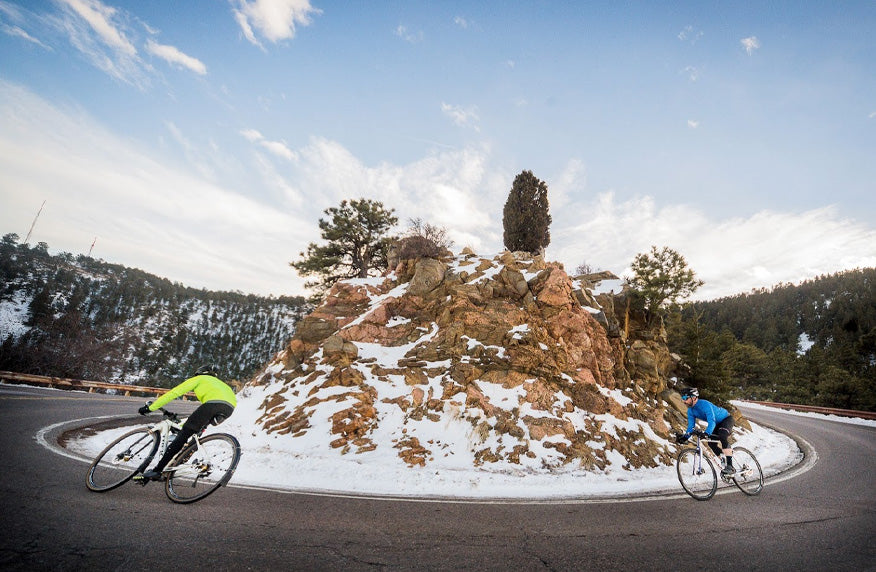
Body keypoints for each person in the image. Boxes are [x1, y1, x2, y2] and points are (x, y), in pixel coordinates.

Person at [134, 365, 237, 481]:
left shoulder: (199, 379)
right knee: (194, 433)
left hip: (212, 405)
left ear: (199, 373)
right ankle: (178, 463)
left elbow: (174, 393)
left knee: (183, 436)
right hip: (229, 408)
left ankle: (157, 470)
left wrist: (151, 408)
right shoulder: (221, 384)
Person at [677, 387, 736, 476]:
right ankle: (724, 462)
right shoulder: (690, 410)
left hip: (726, 419)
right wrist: (685, 437)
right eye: (683, 399)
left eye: (685, 398)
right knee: (711, 443)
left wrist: (707, 433)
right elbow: (691, 426)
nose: (684, 401)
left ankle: (730, 466)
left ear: (694, 397)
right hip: (716, 424)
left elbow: (711, 421)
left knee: (722, 436)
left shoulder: (705, 404)